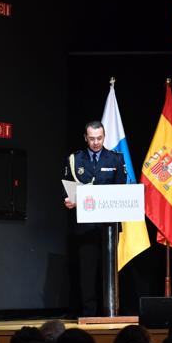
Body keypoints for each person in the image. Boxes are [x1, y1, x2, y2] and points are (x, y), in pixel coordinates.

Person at [63, 121, 128, 317]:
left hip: (109, 226)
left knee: (108, 271)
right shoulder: (76, 159)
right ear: (85, 138)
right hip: (85, 226)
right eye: (92, 138)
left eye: (99, 138)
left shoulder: (115, 159)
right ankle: (90, 314)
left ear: (104, 136)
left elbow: (121, 189)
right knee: (87, 272)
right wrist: (70, 201)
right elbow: (68, 187)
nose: (96, 142)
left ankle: (110, 311)